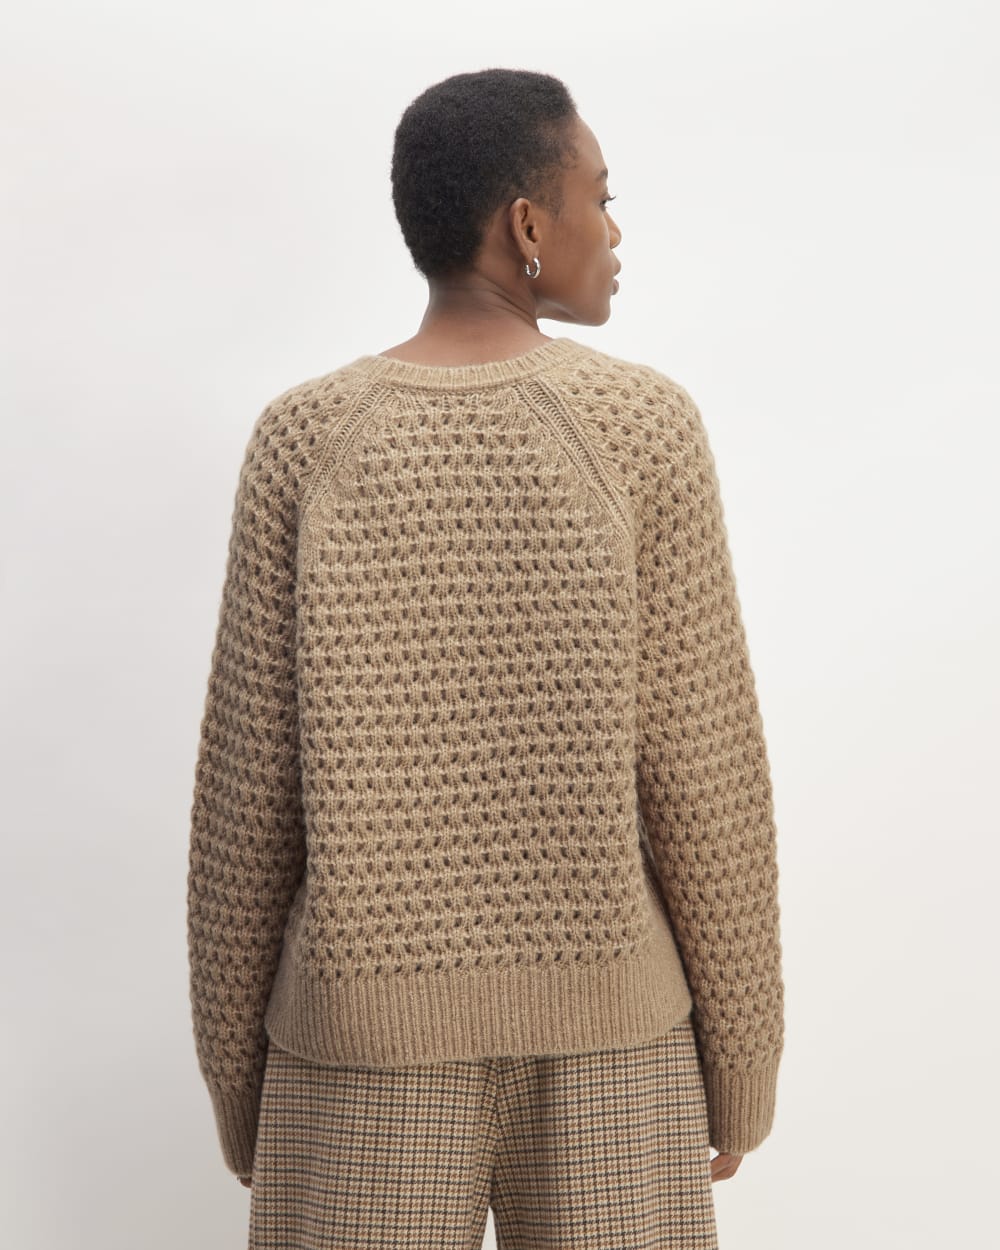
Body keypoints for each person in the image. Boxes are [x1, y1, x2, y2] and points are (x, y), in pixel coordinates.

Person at [187, 67, 784, 1249]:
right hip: (615, 1046)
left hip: (358, 1057)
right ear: (526, 225)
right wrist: (744, 1055)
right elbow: (704, 773)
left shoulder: (304, 438)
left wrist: (237, 1080)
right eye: (599, 198)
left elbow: (244, 803)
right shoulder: (641, 427)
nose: (612, 231)